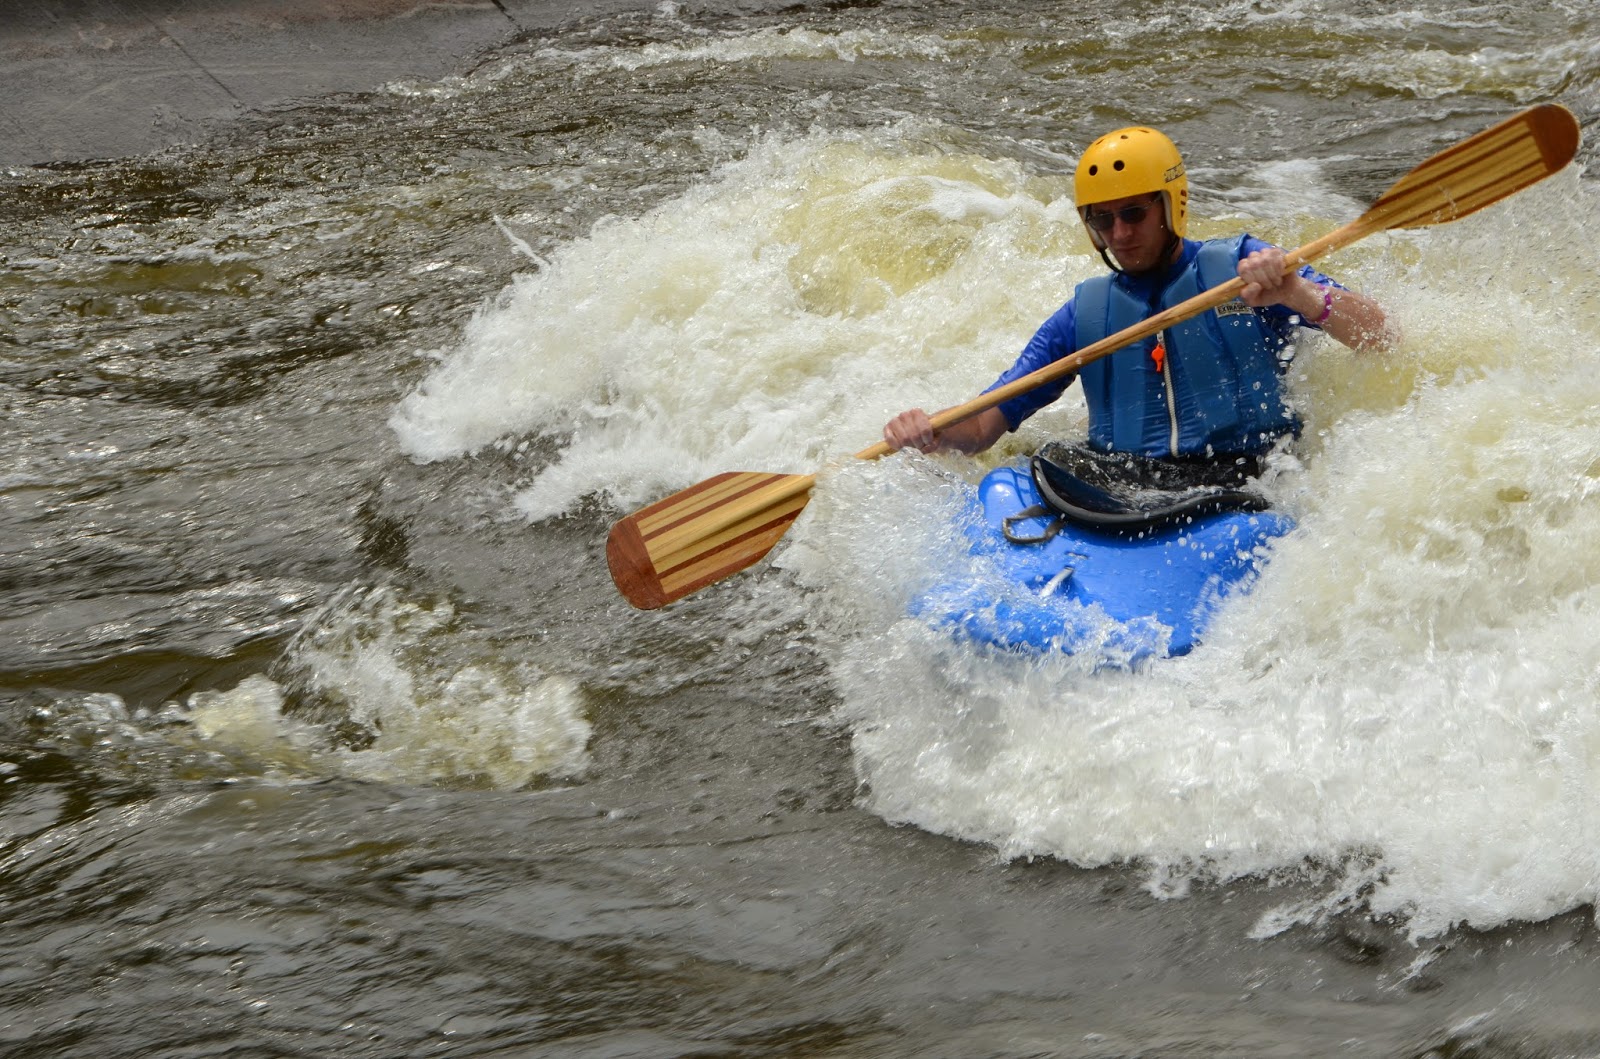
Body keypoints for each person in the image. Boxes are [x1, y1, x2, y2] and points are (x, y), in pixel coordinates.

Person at [882, 126, 1393, 467]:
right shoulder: (1085, 315)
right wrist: (933, 432)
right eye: (1101, 219)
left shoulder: (1248, 269)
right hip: (1124, 488)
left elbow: (1382, 337)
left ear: (1171, 205)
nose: (1119, 233)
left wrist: (1299, 293)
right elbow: (985, 423)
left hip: (1249, 478)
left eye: (1133, 213)